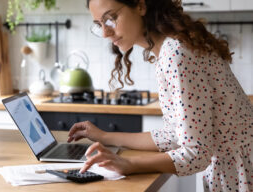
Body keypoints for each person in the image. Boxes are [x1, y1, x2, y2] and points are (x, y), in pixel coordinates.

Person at [67, 0, 253, 191]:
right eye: (99, 24)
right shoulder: (169, 50)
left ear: (140, 6)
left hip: (241, 172)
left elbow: (196, 153)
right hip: (233, 168)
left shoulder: (176, 53)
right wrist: (105, 136)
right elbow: (174, 135)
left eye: (110, 19)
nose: (105, 33)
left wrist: (130, 165)